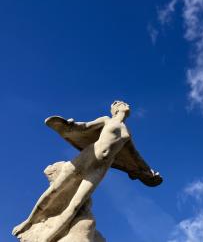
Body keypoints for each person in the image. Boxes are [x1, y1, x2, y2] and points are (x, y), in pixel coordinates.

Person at [13, 101, 137, 242]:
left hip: (99, 168)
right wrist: (70, 125)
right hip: (86, 158)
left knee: (76, 205)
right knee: (54, 191)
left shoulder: (127, 132)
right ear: (115, 109)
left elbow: (134, 155)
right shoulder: (106, 120)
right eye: (122, 104)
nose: (126, 105)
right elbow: (85, 127)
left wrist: (145, 172)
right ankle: (28, 222)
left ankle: (47, 239)